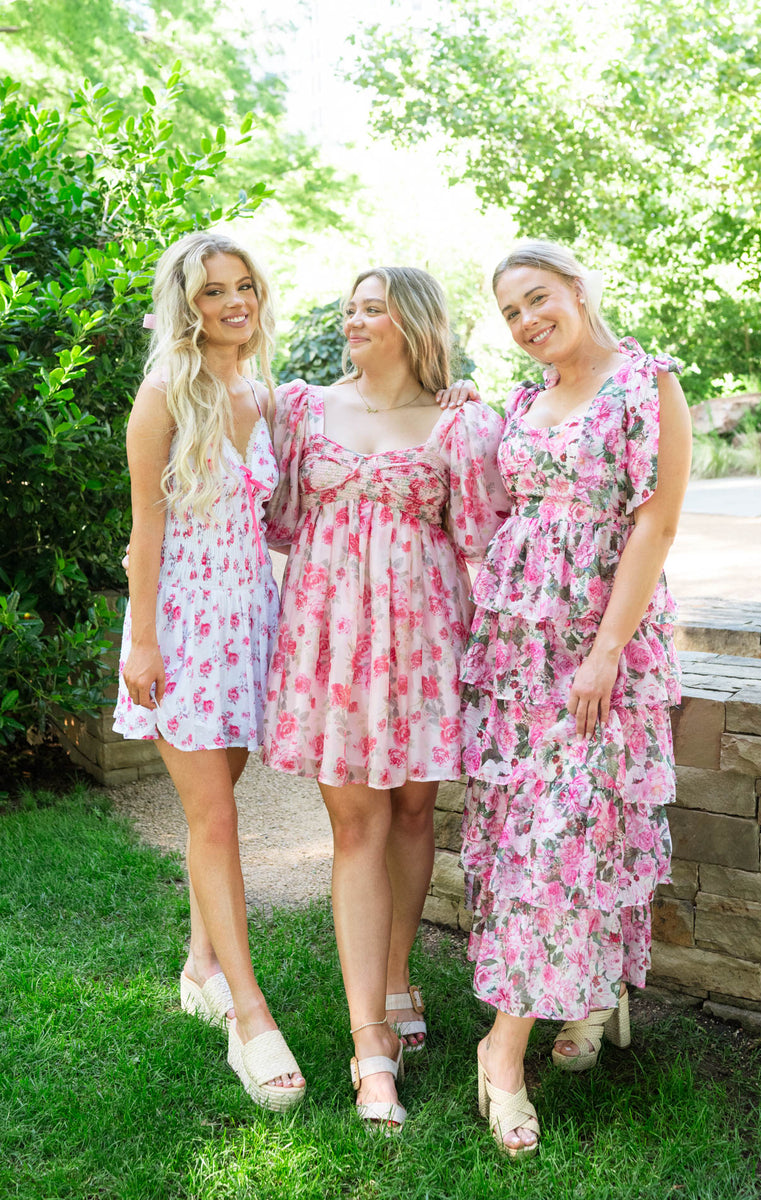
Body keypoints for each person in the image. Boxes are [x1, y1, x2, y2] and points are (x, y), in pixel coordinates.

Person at [451, 240, 692, 1155]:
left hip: (600, 648)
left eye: (538, 298)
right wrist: (460, 413)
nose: (526, 321)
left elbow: (656, 521)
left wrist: (605, 653)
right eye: (511, 312)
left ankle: (501, 1050)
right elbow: (498, 502)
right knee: (533, 833)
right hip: (517, 649)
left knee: (573, 829)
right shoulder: (520, 401)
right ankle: (588, 997)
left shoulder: (645, 384)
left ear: (579, 291)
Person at [263, 266, 508, 1130]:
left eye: (372, 308)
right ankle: (371, 1045)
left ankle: (399, 976)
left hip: (424, 644)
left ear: (411, 322)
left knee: (413, 816)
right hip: (333, 647)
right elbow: (278, 517)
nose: (353, 319)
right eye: (350, 308)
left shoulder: (458, 421)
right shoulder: (302, 410)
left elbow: (482, 533)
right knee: (357, 826)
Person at [113, 231, 305, 1111]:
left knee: (218, 804)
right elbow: (143, 536)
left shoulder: (261, 394)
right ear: (186, 305)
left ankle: (200, 968)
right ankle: (251, 1020)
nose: (233, 303)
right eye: (213, 292)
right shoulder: (163, 396)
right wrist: (141, 643)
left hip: (249, 620)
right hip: (185, 627)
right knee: (216, 818)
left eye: (243, 288)